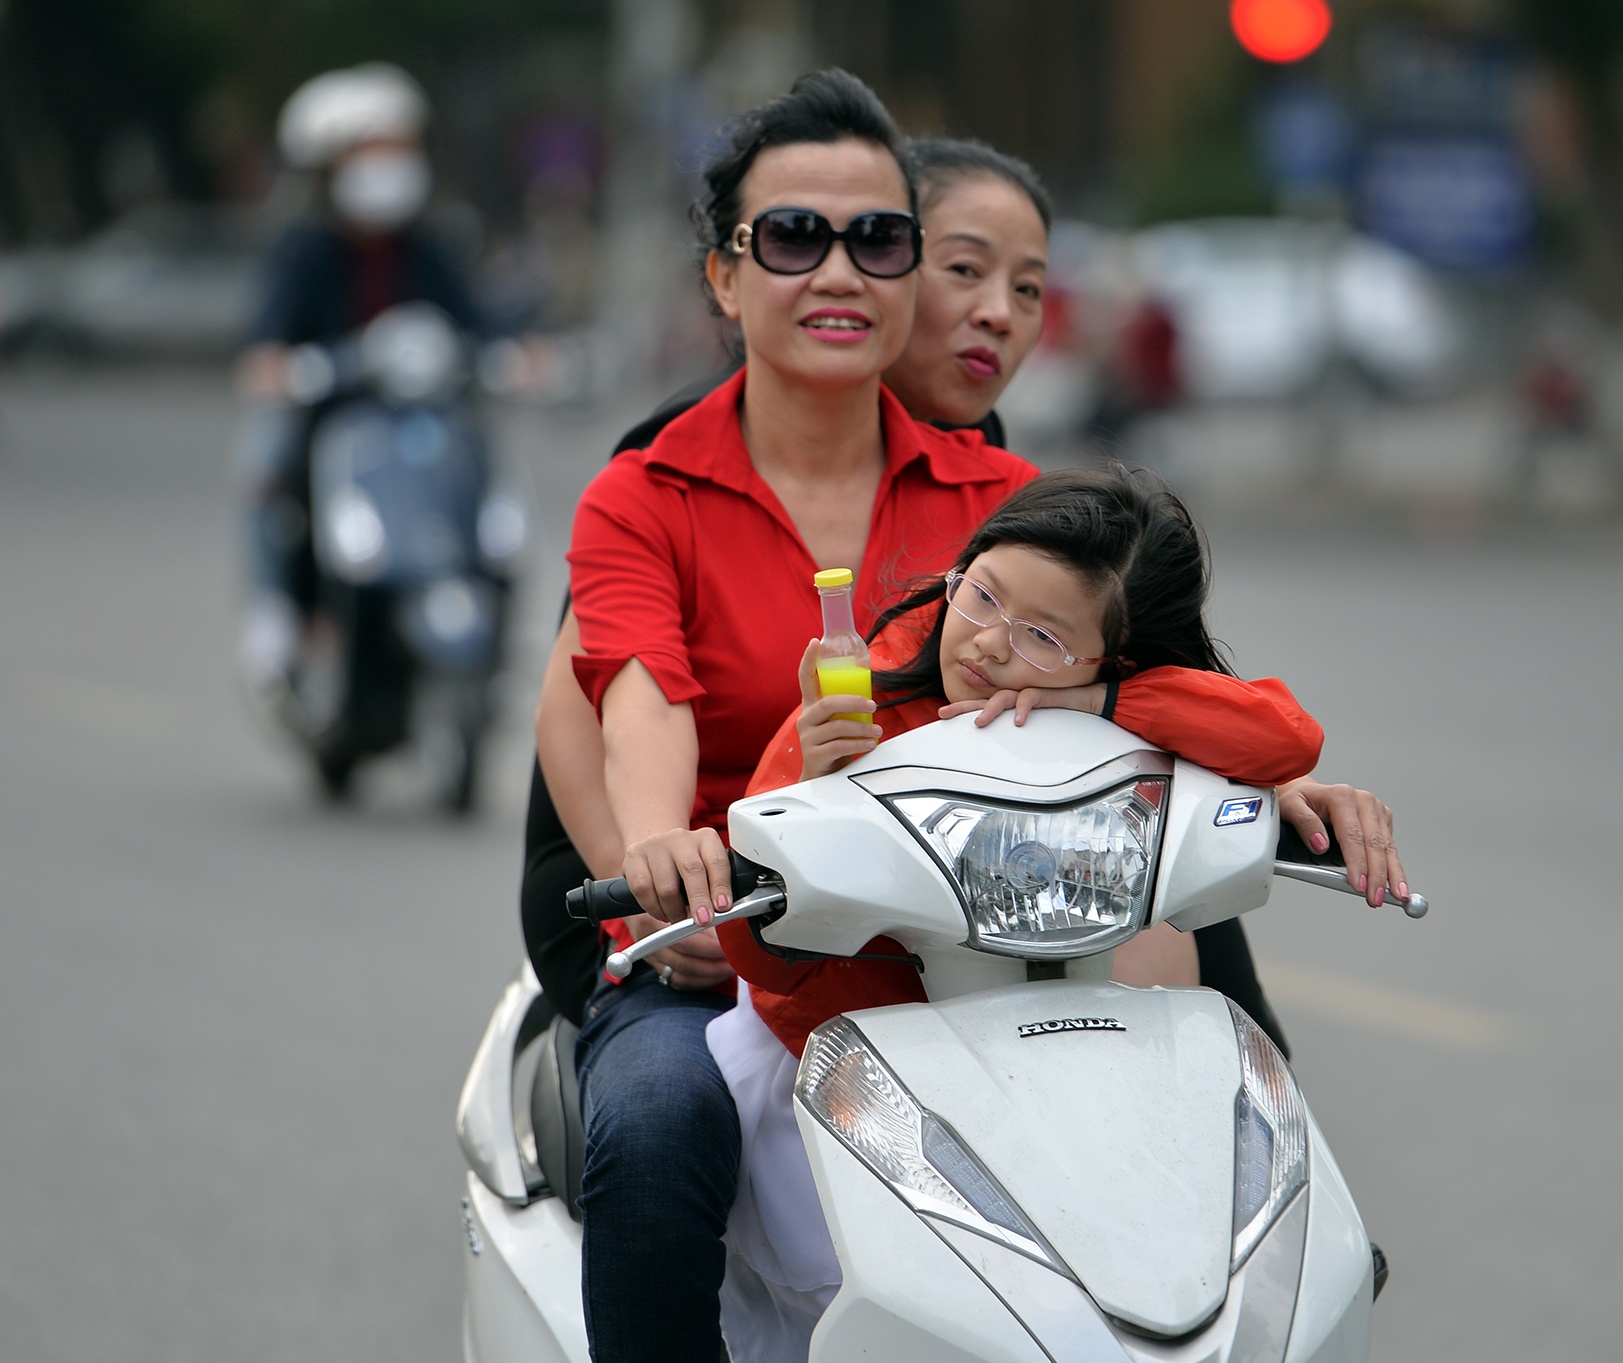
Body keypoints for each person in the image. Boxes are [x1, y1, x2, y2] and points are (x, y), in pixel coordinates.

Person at [700, 465, 1377, 1356]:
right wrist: (818, 801)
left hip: (1043, 1045)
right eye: (981, 593)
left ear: (1114, 659)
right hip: (857, 1051)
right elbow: (762, 953)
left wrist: (1096, 700)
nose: (984, 644)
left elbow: (1283, 737)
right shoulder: (867, 697)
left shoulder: (1096, 711)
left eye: (1043, 636)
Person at [520, 134, 1059, 1026]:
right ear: (727, 279)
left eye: (879, 243)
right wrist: (656, 866)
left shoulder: (1009, 492)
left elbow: (1127, 677)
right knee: (664, 1114)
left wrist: (1266, 784)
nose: (995, 312)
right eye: (796, 239)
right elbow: (615, 695)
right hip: (688, 909)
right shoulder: (652, 477)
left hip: (936, 935)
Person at [236, 63, 487, 694]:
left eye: (398, 150)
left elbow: (481, 326)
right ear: (330, 168)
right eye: (370, 152)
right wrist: (284, 371)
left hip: (424, 416)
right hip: (335, 418)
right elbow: (264, 353)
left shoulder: (431, 245)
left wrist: (528, 356)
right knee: (264, 462)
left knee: (479, 470)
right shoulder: (303, 249)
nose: (387, 165)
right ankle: (278, 613)